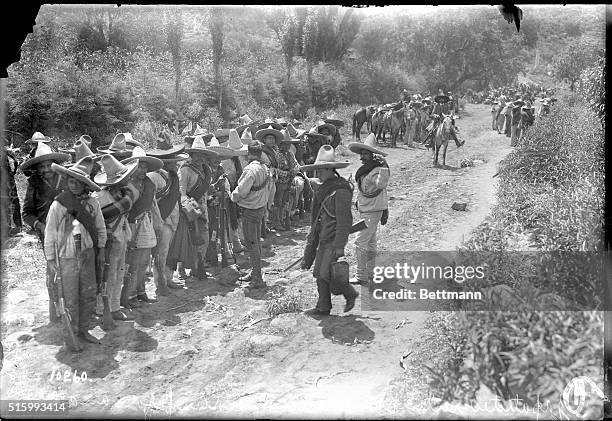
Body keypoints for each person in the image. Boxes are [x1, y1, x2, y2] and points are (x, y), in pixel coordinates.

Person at [44, 156, 107, 351]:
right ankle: (71, 335)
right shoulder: (58, 205)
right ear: (66, 182)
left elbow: (100, 227)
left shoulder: (93, 204)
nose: (75, 186)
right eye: (71, 181)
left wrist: (102, 250)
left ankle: (85, 330)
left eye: (79, 183)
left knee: (88, 294)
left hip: (87, 254)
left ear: (85, 184)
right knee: (69, 297)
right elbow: (50, 233)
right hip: (67, 257)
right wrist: (51, 260)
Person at [300, 145, 359, 316]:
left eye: (320, 170)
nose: (317, 174)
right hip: (324, 238)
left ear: (329, 169)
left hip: (333, 240)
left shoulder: (340, 191)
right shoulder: (326, 188)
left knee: (325, 274)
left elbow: (344, 221)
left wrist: (340, 245)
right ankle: (325, 304)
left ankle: (330, 303)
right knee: (320, 273)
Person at [20, 143, 70, 323]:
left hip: (70, 231)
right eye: (42, 166)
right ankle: (56, 311)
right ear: (37, 169)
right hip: (46, 234)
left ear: (55, 164)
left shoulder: (65, 179)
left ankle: (71, 309)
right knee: (54, 271)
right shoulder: (34, 184)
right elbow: (26, 213)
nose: (46, 169)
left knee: (70, 268)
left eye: (49, 165)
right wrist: (40, 226)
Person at [93, 154, 139, 320]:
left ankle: (114, 306)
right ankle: (101, 309)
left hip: (122, 237)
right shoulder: (100, 197)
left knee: (119, 272)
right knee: (107, 275)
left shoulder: (124, 194)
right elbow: (96, 219)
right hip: (108, 240)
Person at [146, 135, 189, 292]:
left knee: (168, 250)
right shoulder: (154, 177)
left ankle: (167, 278)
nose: (176, 164)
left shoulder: (172, 176)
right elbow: (151, 203)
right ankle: (160, 283)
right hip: (161, 219)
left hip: (173, 217)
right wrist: (157, 221)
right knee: (160, 251)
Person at [229, 140, 273, 290]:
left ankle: (257, 278)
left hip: (250, 210)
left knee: (251, 244)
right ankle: (255, 272)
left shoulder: (250, 170)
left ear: (249, 154)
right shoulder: (265, 168)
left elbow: (240, 192)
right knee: (255, 243)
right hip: (260, 208)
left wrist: (232, 196)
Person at [347, 133, 390, 287]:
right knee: (370, 243)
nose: (363, 157)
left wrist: (384, 167)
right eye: (362, 154)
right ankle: (370, 272)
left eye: (366, 154)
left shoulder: (378, 169)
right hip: (368, 209)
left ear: (373, 156)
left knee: (360, 243)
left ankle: (361, 275)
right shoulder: (365, 169)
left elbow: (380, 185)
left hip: (372, 211)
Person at [177, 135, 219, 280]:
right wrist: (189, 208)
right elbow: (181, 192)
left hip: (203, 208)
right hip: (189, 210)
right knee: (188, 239)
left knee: (204, 238)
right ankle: (184, 268)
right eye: (197, 154)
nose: (200, 158)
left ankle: (198, 266)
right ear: (192, 155)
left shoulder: (206, 171)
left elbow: (206, 189)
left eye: (202, 155)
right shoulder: (185, 170)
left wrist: (213, 190)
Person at [255, 125, 283, 233]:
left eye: (273, 138)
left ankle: (265, 223)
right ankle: (263, 226)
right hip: (265, 179)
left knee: (269, 202)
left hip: (272, 178)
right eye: (269, 138)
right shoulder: (262, 152)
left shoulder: (274, 151)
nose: (271, 140)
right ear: (264, 140)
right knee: (265, 201)